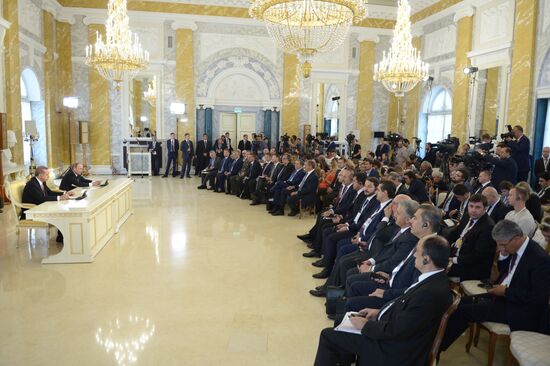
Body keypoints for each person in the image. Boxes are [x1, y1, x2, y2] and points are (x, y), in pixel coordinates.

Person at [313, 235, 452, 366]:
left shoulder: (429, 293)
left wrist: (365, 325)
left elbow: (398, 330)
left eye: (418, 251)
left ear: (426, 259)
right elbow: (407, 313)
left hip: (393, 350)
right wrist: (378, 312)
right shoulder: (434, 281)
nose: (414, 255)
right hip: (394, 335)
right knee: (342, 320)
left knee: (327, 335)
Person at [440, 220, 550, 356]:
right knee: (459, 303)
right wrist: (503, 256)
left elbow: (538, 297)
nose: (500, 248)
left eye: (503, 244)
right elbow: (507, 273)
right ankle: (434, 346)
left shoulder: (540, 259)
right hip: (506, 297)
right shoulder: (516, 247)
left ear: (516, 238)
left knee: (462, 312)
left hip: (522, 310)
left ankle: (434, 351)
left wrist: (506, 291)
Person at [446, 194, 496, 281]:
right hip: (457, 255)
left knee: (436, 270)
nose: (473, 210)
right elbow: (454, 234)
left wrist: (453, 260)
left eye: (477, 207)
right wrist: (440, 243)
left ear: (485, 208)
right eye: (471, 206)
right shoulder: (466, 216)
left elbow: (477, 256)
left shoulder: (488, 227)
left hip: (472, 266)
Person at [22, 166, 73, 242]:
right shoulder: (32, 184)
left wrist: (65, 193)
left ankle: (61, 236)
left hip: (40, 207)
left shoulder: (41, 182)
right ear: (40, 175)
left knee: (62, 211)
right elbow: (41, 199)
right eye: (47, 174)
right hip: (31, 211)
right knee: (60, 213)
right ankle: (61, 237)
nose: (48, 176)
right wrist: (60, 198)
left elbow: (49, 192)